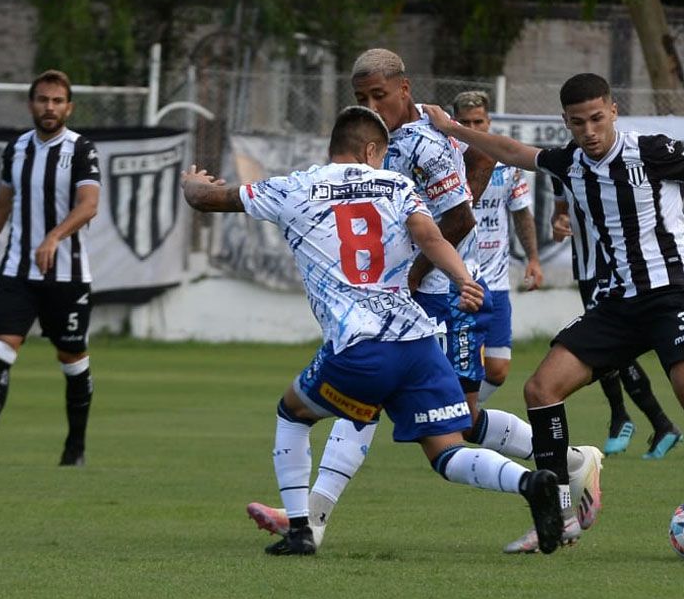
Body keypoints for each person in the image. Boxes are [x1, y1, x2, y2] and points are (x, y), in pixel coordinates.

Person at [422, 73, 684, 555]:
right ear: (567, 122)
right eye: (578, 122)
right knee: (540, 390)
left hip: (673, 295)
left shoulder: (653, 151)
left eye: (598, 119)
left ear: (614, 111)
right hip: (617, 304)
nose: (590, 131)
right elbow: (511, 150)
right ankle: (560, 517)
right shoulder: (570, 162)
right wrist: (452, 128)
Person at [245, 51, 602, 553]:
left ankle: (565, 471)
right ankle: (313, 520)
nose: (372, 105)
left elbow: (458, 218)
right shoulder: (379, 143)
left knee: (457, 424)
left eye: (380, 96)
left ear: (405, 89)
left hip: (440, 299)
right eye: (362, 98)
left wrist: (411, 278)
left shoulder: (429, 140)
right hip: (403, 307)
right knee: (374, 409)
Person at [181, 105, 566, 555]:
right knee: (446, 450)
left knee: (293, 413)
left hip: (358, 343)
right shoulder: (397, 185)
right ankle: (529, 481)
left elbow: (211, 199)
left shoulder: (294, 187)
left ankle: (302, 530)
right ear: (370, 150)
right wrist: (463, 278)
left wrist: (193, 186)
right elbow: (432, 237)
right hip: (418, 340)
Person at [0, 69, 101, 467]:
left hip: (68, 276)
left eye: (58, 101)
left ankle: (74, 449)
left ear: (69, 107)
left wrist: (55, 237)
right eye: (43, 99)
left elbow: (89, 204)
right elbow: (2, 205)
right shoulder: (17, 149)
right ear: (31, 104)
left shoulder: (81, 150)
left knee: (72, 358)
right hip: (18, 271)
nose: (50, 107)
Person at [549, 182, 683, 459]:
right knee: (601, 348)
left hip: (610, 268)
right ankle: (646, 422)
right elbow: (560, 212)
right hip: (584, 269)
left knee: (604, 347)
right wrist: (559, 222)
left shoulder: (609, 162)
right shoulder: (559, 165)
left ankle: (638, 420)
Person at [449, 91, 543, 404]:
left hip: (497, 280)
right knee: (454, 364)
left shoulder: (506, 163)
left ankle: (461, 412)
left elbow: (520, 212)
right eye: (465, 122)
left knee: (498, 370)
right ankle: (455, 418)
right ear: (454, 123)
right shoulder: (445, 161)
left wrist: (533, 259)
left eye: (479, 121)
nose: (473, 127)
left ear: (488, 122)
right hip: (456, 278)